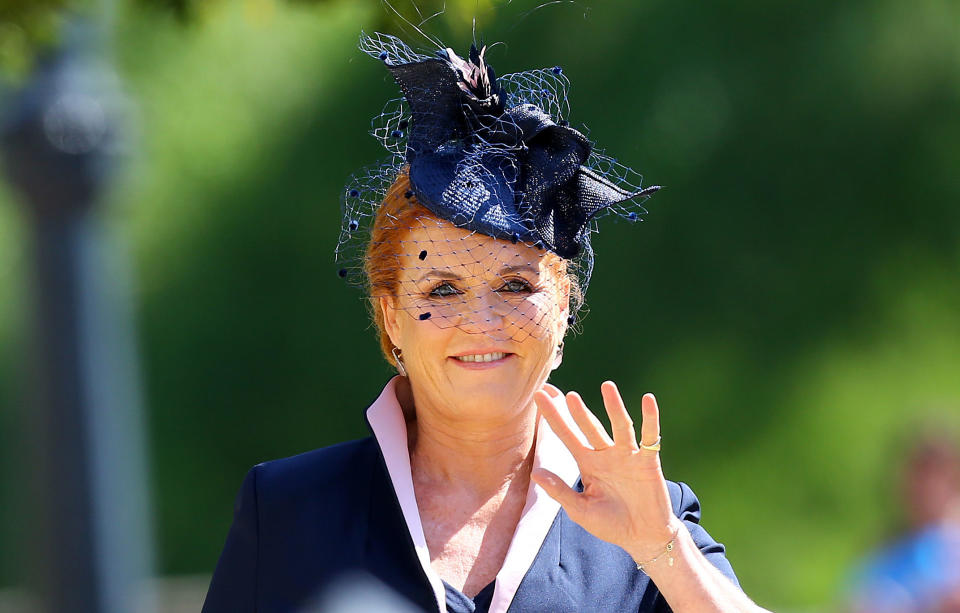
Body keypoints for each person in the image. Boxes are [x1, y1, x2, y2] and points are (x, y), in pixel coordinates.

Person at [202, 32, 769, 613]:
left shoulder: (649, 514)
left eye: (516, 285)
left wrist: (659, 547)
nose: (482, 321)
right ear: (391, 318)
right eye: (443, 289)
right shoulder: (288, 510)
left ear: (565, 308)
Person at [846, 433, 960, 613]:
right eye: (919, 476)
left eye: (936, 475)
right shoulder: (882, 550)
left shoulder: (952, 544)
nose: (926, 488)